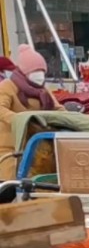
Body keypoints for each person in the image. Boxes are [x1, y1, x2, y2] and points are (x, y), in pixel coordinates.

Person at [0, 44, 62, 182]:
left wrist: (71, 118)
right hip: (10, 150)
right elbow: (1, 109)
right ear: (24, 72)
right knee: (11, 189)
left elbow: (58, 109)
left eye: (42, 72)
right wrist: (22, 120)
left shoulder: (43, 91)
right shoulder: (7, 87)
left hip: (36, 151)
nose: (39, 76)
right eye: (35, 72)